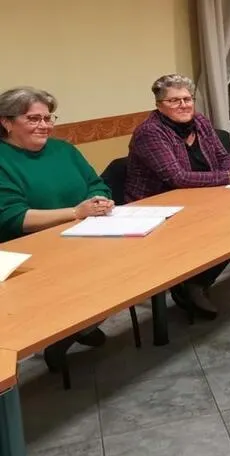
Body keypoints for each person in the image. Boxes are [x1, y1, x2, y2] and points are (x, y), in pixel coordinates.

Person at [126, 74, 230, 320]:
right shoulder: (150, 133)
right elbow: (178, 177)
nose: (183, 105)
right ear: (159, 105)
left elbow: (223, 158)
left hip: (203, 198)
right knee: (221, 230)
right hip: (158, 208)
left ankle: (196, 283)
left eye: (187, 99)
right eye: (174, 101)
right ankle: (189, 285)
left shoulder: (200, 122)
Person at [0, 86, 113, 366]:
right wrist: (75, 212)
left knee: (126, 273)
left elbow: (96, 183)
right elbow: (14, 218)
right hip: (29, 253)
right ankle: (67, 331)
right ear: (6, 122)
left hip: (84, 239)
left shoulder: (64, 150)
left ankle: (78, 327)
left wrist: (99, 199)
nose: (44, 125)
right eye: (33, 118)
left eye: (48, 118)